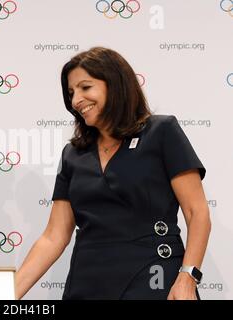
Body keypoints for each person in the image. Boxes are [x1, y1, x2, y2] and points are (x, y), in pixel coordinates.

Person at [15, 47, 211, 300]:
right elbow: (54, 236)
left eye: (85, 88)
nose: (76, 101)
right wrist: (7, 294)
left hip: (154, 277)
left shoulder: (161, 132)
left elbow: (197, 213)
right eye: (71, 93)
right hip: (86, 283)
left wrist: (187, 277)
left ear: (115, 84)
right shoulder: (73, 154)